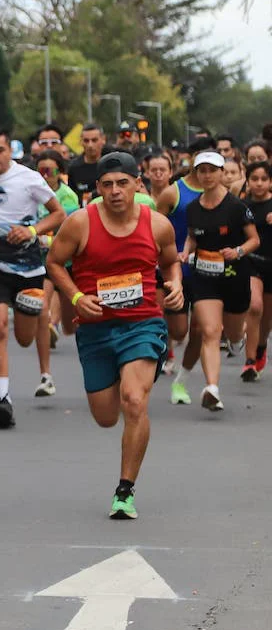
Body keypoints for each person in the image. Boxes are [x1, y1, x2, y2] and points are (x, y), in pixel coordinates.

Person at [47, 151, 183, 519]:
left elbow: (170, 260)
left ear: (137, 184)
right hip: (95, 329)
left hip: (143, 323)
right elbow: (54, 263)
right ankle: (130, 372)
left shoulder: (157, 225)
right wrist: (76, 297)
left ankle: (125, 490)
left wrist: (175, 285)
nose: (115, 191)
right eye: (107, 185)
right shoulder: (79, 223)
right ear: (97, 190)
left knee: (134, 400)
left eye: (123, 183)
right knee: (106, 416)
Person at [0, 126, 66, 427]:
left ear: (10, 151)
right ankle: (4, 399)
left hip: (27, 265)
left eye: (0, 150)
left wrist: (33, 230)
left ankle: (35, 334)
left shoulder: (29, 178)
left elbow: (58, 214)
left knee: (24, 337)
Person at [178, 152, 260, 410]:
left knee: (233, 333)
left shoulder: (236, 207)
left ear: (222, 173)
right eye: (202, 171)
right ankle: (212, 387)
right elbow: (193, 236)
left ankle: (238, 341)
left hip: (235, 277)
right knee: (210, 332)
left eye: (212, 170)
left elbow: (254, 240)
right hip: (205, 277)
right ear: (197, 175)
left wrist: (237, 251)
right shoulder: (193, 208)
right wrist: (186, 250)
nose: (207, 175)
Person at [155, 137, 214, 403]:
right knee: (179, 331)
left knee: (200, 331)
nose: (205, 167)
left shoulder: (221, 195)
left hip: (208, 272)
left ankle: (182, 381)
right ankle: (159, 353)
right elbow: (154, 229)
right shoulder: (173, 193)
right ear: (191, 159)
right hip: (176, 271)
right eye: (199, 158)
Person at [33, 150, 80, 391]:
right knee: (40, 309)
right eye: (40, 170)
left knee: (71, 326)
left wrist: (47, 239)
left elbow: (71, 233)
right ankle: (46, 376)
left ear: (58, 171)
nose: (44, 175)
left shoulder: (67, 196)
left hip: (65, 262)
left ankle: (60, 324)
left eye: (48, 171)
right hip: (39, 263)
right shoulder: (31, 191)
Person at [242, 161, 272, 380]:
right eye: (255, 179)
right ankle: (249, 362)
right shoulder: (241, 206)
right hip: (251, 263)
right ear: (248, 181)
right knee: (255, 306)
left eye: (263, 179)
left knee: (267, 316)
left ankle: (261, 347)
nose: (259, 183)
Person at [67, 124, 106, 207]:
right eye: (86, 141)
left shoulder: (111, 163)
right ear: (81, 142)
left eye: (94, 140)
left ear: (103, 140)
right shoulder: (74, 167)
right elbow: (71, 196)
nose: (90, 145)